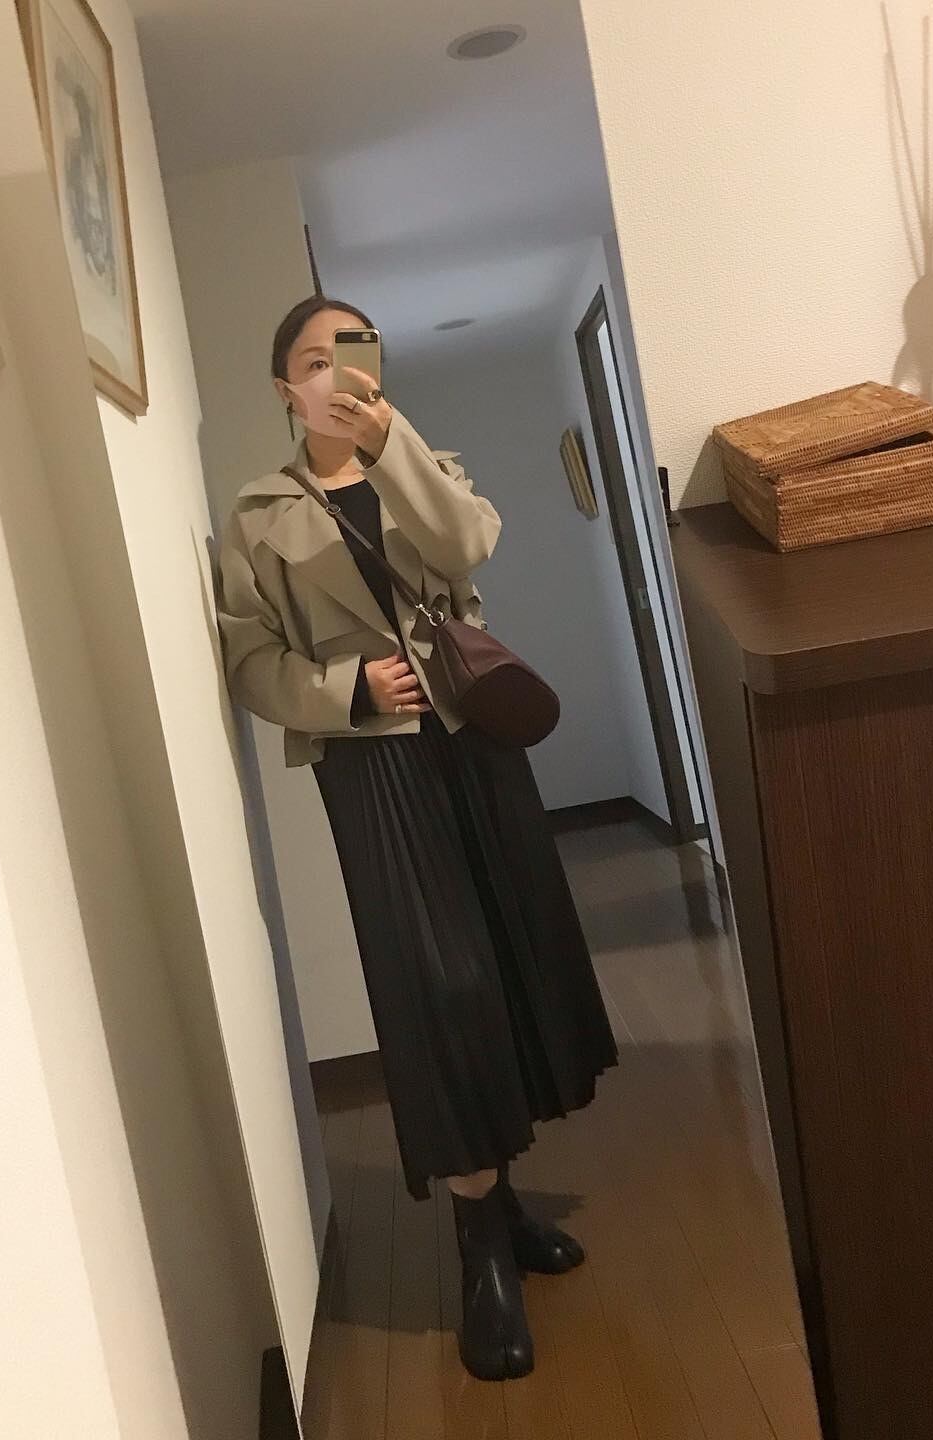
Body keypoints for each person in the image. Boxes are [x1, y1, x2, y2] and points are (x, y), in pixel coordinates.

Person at [216, 294, 617, 1382]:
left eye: (354, 352)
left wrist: (391, 444)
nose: (337, 373)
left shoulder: (422, 461)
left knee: (505, 958)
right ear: (284, 388)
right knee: (439, 982)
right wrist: (346, 689)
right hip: (374, 762)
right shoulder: (257, 516)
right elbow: (250, 658)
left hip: (475, 737)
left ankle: (505, 1198)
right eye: (314, 359)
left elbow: (467, 540)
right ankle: (480, 1242)